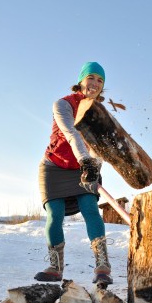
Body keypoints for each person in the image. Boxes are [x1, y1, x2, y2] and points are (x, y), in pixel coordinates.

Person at [35, 61, 112, 287]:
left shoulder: (100, 113)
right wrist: (85, 161)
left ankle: (102, 266)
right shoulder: (63, 104)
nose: (95, 83)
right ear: (81, 80)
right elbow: (71, 133)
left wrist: (94, 166)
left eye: (100, 80)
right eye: (91, 78)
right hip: (54, 166)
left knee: (90, 209)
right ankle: (55, 267)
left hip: (84, 167)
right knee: (55, 214)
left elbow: (102, 146)